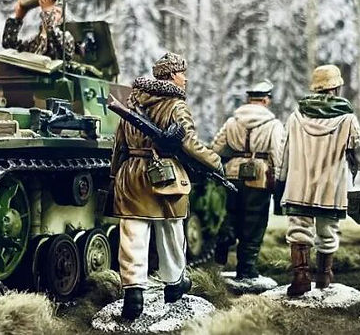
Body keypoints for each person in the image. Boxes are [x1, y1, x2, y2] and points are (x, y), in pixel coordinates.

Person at [109, 52, 223, 320]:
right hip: (165, 175)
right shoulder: (175, 106)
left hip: (131, 174)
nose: (185, 79)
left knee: (133, 234)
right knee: (171, 230)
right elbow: (190, 143)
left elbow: (119, 146)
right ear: (172, 75)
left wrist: (115, 176)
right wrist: (215, 162)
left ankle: (133, 293)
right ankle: (174, 284)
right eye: (182, 73)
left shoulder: (133, 102)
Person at [277, 65, 360, 297]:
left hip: (298, 185)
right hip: (331, 186)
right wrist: (352, 164)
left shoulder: (296, 116)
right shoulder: (347, 119)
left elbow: (283, 152)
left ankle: (300, 276)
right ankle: (324, 276)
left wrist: (280, 180)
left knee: (299, 230)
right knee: (328, 231)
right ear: (336, 88)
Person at [212, 80, 285, 281]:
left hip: (233, 173)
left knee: (231, 213)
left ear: (249, 99)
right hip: (259, 176)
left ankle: (225, 237)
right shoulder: (273, 125)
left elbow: (216, 148)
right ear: (265, 100)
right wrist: (279, 179)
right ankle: (246, 268)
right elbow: (278, 154)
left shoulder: (232, 122)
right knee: (255, 221)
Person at [1, 0, 76, 60]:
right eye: (51, 9)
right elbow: (9, 46)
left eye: (57, 11)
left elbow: (67, 55)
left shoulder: (65, 37)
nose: (53, 11)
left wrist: (48, 13)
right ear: (41, 13)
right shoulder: (34, 41)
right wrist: (18, 17)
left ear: (61, 19)